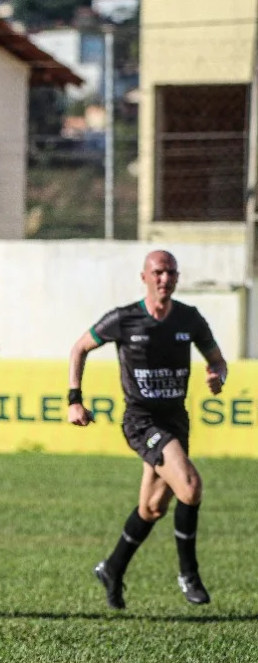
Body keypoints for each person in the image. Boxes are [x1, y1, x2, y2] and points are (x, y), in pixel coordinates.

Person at [69, 250, 227, 609]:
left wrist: (217, 374)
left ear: (177, 277)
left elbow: (216, 359)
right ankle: (189, 574)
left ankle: (112, 567)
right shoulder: (124, 319)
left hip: (175, 420)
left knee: (153, 507)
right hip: (141, 421)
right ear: (144, 277)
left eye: (170, 273)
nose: (164, 279)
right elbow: (79, 348)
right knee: (190, 486)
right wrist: (74, 399)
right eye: (157, 272)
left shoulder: (189, 318)